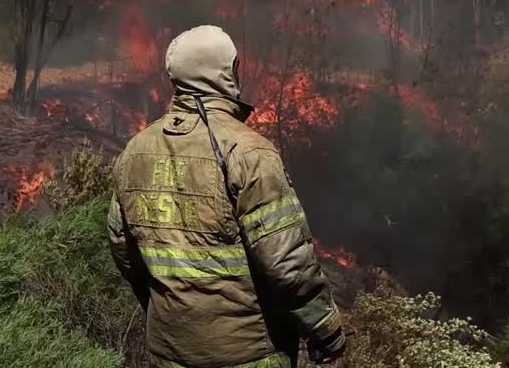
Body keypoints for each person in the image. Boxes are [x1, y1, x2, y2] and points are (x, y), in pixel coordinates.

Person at [107, 25, 346, 368]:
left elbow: (123, 251)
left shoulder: (134, 153)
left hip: (167, 352)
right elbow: (287, 265)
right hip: (248, 354)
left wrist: (167, 306)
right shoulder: (249, 154)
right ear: (224, 73)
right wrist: (327, 331)